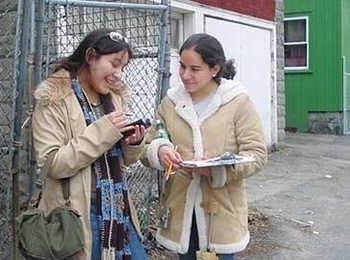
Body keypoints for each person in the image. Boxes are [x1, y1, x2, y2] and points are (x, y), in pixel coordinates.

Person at [141, 33, 267, 259]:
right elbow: (148, 144)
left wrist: (217, 170)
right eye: (182, 66)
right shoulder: (170, 103)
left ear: (215, 69)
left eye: (195, 69)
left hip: (221, 213)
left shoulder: (237, 102)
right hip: (181, 209)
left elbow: (257, 154)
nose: (185, 75)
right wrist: (160, 151)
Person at [32, 28, 148, 260]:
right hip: (77, 213)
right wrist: (104, 131)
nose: (118, 74)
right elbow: (52, 164)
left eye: (123, 68)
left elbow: (122, 159)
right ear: (90, 55)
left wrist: (133, 143)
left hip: (118, 209)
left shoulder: (114, 98)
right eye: (114, 64)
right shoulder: (53, 98)